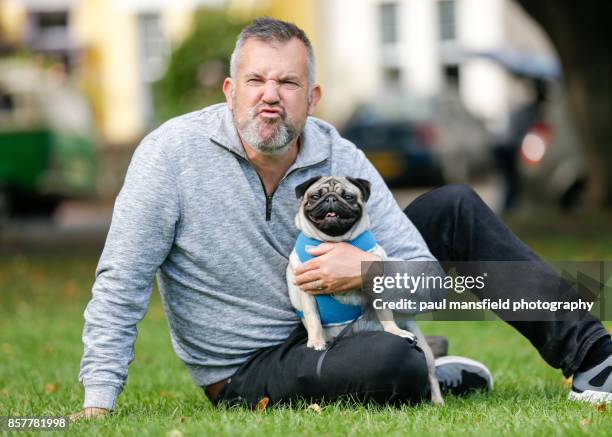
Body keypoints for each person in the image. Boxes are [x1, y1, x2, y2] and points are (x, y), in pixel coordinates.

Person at [71, 18, 611, 419]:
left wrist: (367, 273)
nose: (270, 98)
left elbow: (427, 283)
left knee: (455, 206)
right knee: (391, 365)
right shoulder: (169, 156)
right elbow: (122, 280)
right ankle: (421, 368)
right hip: (251, 366)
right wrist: (99, 401)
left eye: (287, 84)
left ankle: (595, 358)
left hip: (350, 319)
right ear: (230, 92)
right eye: (256, 81)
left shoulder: (339, 154)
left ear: (313, 97)